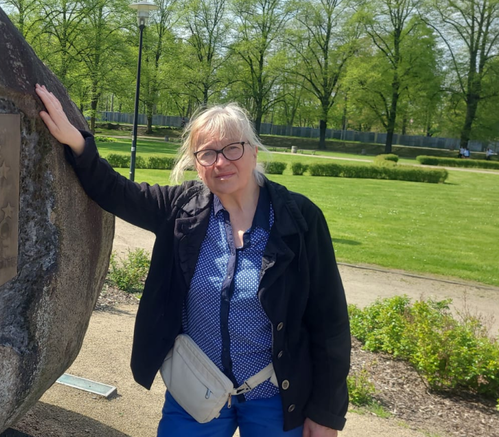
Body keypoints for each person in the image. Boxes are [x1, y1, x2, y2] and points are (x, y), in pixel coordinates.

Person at [35, 84, 350, 437]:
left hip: (275, 396)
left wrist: (326, 413)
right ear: (195, 164)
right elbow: (117, 192)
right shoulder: (182, 209)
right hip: (197, 390)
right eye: (207, 153)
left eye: (233, 148)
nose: (221, 162)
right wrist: (76, 142)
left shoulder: (299, 219)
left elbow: (330, 322)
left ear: (255, 151)